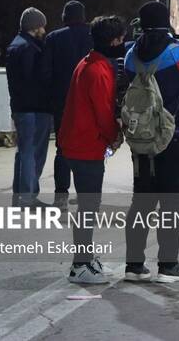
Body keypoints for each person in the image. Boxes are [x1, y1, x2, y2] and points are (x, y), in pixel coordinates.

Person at [124, 1, 179, 283]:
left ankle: (134, 265)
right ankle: (168, 264)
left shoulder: (131, 57)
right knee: (172, 204)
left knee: (142, 202)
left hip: (143, 140)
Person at [59, 16, 126, 284]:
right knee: (89, 206)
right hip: (85, 145)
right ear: (113, 41)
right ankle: (80, 265)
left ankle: (86, 258)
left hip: (76, 142)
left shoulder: (88, 62)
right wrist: (114, 137)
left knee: (88, 205)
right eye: (120, 39)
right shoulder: (97, 70)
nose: (122, 44)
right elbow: (103, 112)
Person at [40, 0, 93, 210]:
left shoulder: (53, 38)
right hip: (90, 101)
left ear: (64, 17)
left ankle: (61, 197)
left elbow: (45, 72)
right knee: (88, 148)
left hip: (63, 102)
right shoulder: (94, 36)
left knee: (63, 149)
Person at [6, 7, 53, 208]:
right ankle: (28, 197)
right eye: (42, 25)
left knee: (23, 151)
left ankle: (20, 196)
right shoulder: (29, 48)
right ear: (35, 27)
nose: (44, 29)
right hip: (34, 108)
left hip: (20, 107)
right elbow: (34, 80)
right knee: (33, 153)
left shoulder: (15, 45)